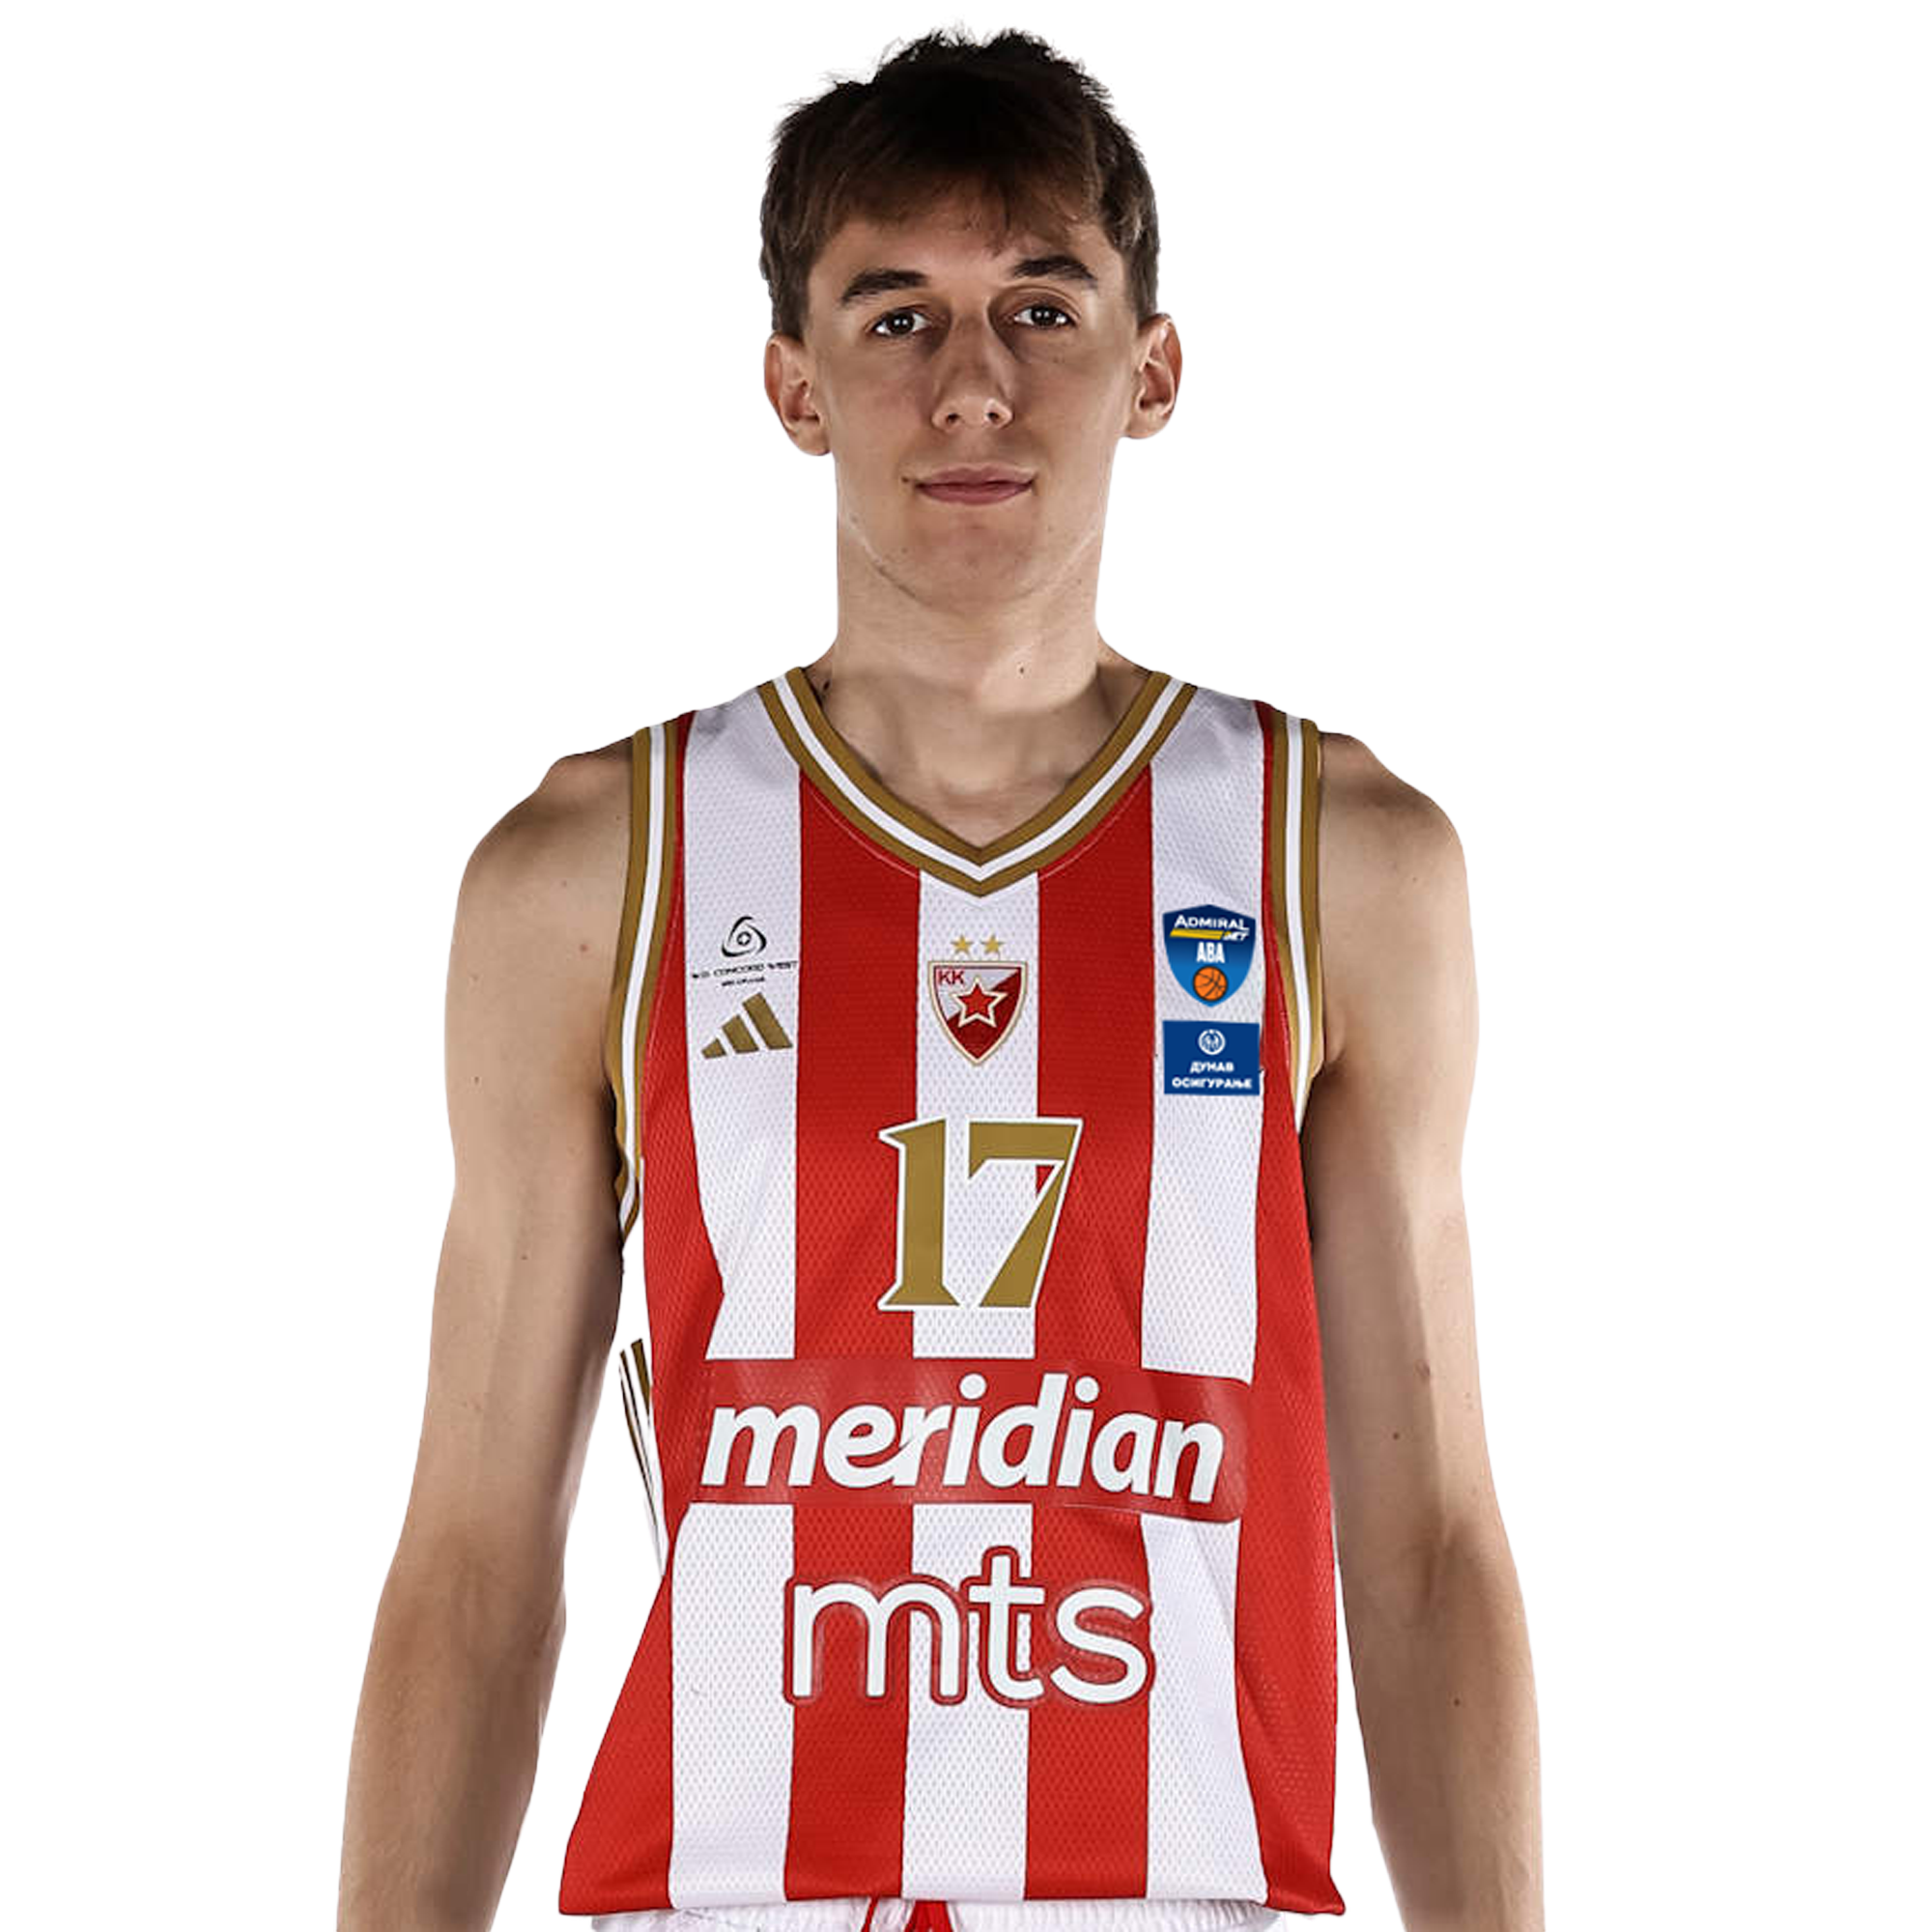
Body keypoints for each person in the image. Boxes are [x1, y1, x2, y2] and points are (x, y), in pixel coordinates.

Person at [339, 33, 1542, 1932]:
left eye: (1040, 309)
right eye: (895, 315)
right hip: (718, 1897)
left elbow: (1427, 1546)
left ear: (1152, 371)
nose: (972, 382)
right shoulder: (597, 869)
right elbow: (479, 1560)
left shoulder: (1336, 858)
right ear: (794, 387)